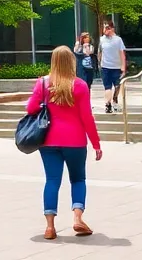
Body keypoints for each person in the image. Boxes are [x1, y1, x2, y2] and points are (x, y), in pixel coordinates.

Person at [26, 46, 102, 240]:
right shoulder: (80, 85)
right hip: (75, 140)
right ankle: (77, 218)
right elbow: (87, 117)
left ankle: (50, 227)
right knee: (77, 179)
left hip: (48, 140)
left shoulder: (43, 83)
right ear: (72, 62)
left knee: (52, 180)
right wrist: (96, 143)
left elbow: (30, 108)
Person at [98, 23, 126, 114]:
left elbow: (122, 53)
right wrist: (99, 63)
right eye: (104, 28)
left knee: (118, 85)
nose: (106, 30)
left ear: (112, 29)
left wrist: (123, 66)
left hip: (116, 67)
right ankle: (108, 104)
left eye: (108, 28)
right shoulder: (102, 39)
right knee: (107, 87)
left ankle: (114, 100)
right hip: (105, 67)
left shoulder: (118, 40)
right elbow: (100, 52)